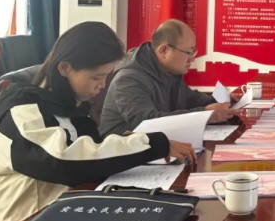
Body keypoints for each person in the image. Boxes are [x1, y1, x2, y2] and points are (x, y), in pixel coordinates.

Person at [0, 22, 197, 221]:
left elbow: (88, 150)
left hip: (67, 215)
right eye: (97, 77)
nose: (102, 85)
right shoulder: (23, 109)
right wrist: (150, 144)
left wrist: (125, 141)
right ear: (65, 68)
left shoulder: (70, 108)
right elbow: (62, 159)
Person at [100, 19, 238, 136]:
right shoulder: (128, 80)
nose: (192, 59)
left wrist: (223, 101)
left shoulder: (168, 70)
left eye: (193, 52)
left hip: (158, 147)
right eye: (189, 52)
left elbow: (189, 98)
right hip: (125, 153)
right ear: (164, 51)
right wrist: (206, 115)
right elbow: (147, 123)